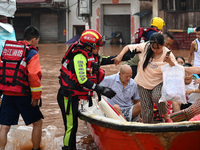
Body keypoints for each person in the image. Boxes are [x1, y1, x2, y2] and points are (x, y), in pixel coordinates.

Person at [57, 29, 116, 150]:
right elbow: (82, 79)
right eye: (97, 47)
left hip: (73, 95)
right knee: (70, 126)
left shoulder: (89, 54)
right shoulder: (79, 57)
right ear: (90, 46)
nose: (99, 49)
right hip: (67, 96)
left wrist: (123, 56)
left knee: (73, 125)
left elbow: (103, 60)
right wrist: (101, 89)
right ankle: (67, 148)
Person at [114, 33, 176, 123]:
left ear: (163, 45)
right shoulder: (145, 47)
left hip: (158, 82)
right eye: (153, 47)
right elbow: (127, 47)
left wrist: (169, 61)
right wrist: (120, 56)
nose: (155, 50)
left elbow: (175, 68)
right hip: (143, 83)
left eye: (158, 48)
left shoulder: (168, 54)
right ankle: (149, 128)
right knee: (146, 112)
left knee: (157, 96)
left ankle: (166, 117)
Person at [0, 26, 43, 150]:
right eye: (38, 40)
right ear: (34, 39)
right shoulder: (32, 52)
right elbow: (34, 75)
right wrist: (36, 96)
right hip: (23, 94)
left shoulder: (8, 50)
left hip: (7, 93)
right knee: (38, 123)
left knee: (4, 125)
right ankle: (36, 148)